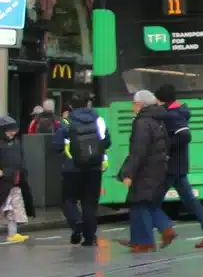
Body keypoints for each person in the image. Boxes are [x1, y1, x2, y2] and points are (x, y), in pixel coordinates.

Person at [155, 83, 203, 249]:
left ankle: (158, 232)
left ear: (161, 100)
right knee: (191, 201)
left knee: (150, 202)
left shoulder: (172, 115)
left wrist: (166, 147)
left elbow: (184, 135)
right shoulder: (176, 112)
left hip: (170, 166)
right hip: (178, 165)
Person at [117, 91, 173, 251]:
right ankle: (142, 239)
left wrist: (129, 173)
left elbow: (138, 150)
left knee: (140, 202)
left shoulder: (142, 122)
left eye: (134, 103)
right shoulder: (158, 119)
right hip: (157, 166)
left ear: (141, 104)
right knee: (144, 202)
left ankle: (159, 232)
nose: (132, 107)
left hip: (145, 169)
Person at [55, 97, 108, 246]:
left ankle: (77, 222)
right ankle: (90, 237)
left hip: (72, 168)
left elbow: (57, 145)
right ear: (87, 104)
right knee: (90, 203)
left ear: (71, 106)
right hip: (94, 168)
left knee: (68, 200)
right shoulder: (99, 120)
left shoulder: (66, 122)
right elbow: (107, 142)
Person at [0, 116, 30, 244]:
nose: (12, 133)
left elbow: (21, 159)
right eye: (9, 130)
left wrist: (23, 172)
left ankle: (13, 233)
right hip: (4, 180)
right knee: (7, 206)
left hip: (15, 179)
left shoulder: (16, 142)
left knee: (13, 208)